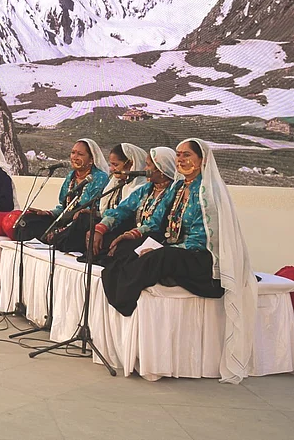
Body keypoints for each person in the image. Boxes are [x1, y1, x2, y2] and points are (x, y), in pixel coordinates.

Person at [101, 138, 258, 384]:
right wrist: (135, 235)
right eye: (178, 155)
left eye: (186, 155)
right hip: (178, 251)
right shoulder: (177, 188)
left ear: (201, 160)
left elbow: (200, 239)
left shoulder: (208, 192)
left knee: (162, 255)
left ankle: (123, 298)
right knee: (131, 252)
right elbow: (157, 221)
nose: (181, 160)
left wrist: (164, 248)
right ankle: (119, 283)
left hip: (202, 260)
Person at [90, 146, 177, 261]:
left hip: (155, 238)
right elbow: (123, 209)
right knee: (103, 239)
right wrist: (101, 228)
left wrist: (131, 234)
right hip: (137, 234)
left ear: (161, 170)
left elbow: (156, 223)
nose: (145, 168)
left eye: (148, 165)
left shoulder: (172, 192)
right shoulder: (146, 189)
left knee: (123, 249)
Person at [15, 138, 109, 243]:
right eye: (73, 153)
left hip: (84, 223)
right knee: (28, 221)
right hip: (65, 220)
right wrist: (48, 213)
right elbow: (63, 207)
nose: (74, 157)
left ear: (91, 159)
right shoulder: (71, 176)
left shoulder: (99, 178)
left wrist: (62, 229)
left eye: (80, 154)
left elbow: (94, 210)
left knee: (81, 221)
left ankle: (58, 237)